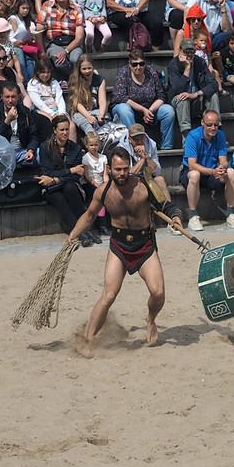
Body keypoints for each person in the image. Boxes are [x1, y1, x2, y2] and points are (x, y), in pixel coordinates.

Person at [68, 146, 184, 357]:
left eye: (125, 169)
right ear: (109, 168)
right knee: (109, 294)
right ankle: (89, 340)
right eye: (117, 169)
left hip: (144, 244)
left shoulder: (144, 185)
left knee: (158, 292)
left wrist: (176, 217)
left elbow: (166, 205)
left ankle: (150, 320)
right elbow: (89, 216)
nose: (122, 173)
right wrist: (72, 235)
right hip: (119, 245)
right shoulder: (102, 192)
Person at [113, 49, 176, 149]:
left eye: (141, 64)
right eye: (135, 64)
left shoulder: (152, 73)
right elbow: (120, 97)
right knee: (124, 109)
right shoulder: (123, 74)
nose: (138, 67)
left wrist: (150, 111)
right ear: (129, 64)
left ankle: (167, 147)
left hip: (150, 109)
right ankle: (135, 145)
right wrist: (143, 110)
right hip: (129, 109)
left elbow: (161, 96)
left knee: (168, 111)